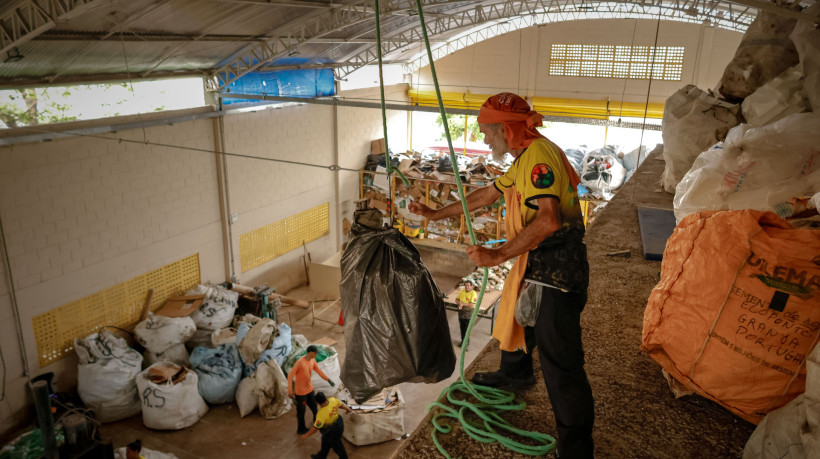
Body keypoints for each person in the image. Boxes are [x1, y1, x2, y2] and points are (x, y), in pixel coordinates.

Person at [409, 92, 594, 458]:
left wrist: (497, 254)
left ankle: (576, 450)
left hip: (557, 271)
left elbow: (548, 219)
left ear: (505, 129)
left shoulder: (539, 157)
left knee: (561, 366)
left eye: (486, 131)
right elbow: (486, 195)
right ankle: (515, 371)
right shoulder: (524, 159)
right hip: (538, 264)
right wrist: (434, 214)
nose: (483, 140)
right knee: (514, 313)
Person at [287, 345, 336, 435]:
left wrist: (328, 379)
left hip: (309, 389)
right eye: (315, 353)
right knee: (301, 411)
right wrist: (290, 391)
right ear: (310, 353)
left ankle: (316, 421)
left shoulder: (313, 360)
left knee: (314, 406)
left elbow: (318, 371)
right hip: (301, 392)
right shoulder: (300, 362)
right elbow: (290, 376)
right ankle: (301, 429)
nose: (316, 355)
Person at [299, 391, 354, 459]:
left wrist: (306, 435)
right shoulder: (333, 400)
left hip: (332, 430)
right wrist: (348, 409)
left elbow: (316, 427)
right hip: (339, 423)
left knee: (337, 445)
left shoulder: (321, 414)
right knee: (325, 440)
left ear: (318, 403)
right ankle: (321, 456)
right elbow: (341, 405)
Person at [455, 279, 478, 348]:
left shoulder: (473, 293)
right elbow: (456, 299)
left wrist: (462, 304)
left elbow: (471, 304)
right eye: (465, 285)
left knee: (466, 330)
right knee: (462, 328)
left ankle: (466, 345)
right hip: (461, 313)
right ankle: (462, 342)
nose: (467, 287)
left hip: (468, 314)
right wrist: (459, 303)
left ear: (472, 286)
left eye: (468, 285)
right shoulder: (462, 291)